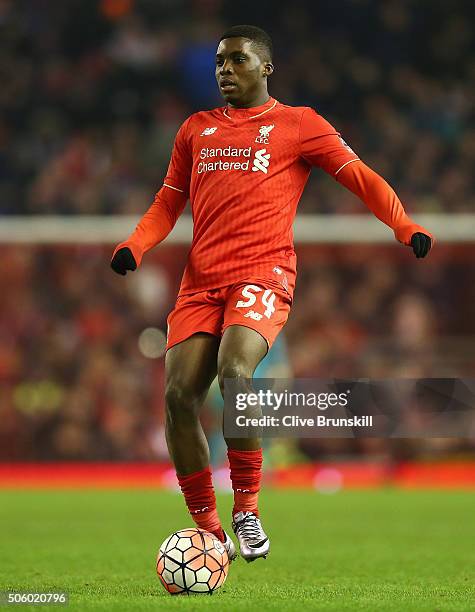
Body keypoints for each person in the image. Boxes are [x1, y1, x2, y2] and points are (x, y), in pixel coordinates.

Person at [110, 24, 433, 562]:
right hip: (200, 285)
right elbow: (167, 201)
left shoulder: (298, 125)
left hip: (263, 275)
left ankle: (248, 512)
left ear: (266, 68)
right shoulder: (196, 130)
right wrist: (135, 245)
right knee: (177, 396)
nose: (225, 70)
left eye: (237, 60)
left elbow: (359, 176)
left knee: (237, 373)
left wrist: (405, 226)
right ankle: (209, 528)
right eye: (219, 62)